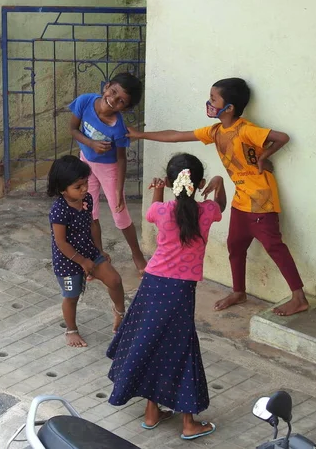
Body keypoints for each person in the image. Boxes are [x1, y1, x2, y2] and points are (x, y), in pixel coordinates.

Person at [126, 77, 309, 316]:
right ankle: (239, 292)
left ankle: (299, 297)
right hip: (242, 199)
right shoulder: (215, 131)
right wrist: (140, 135)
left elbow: (282, 138)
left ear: (229, 108)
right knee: (235, 246)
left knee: (275, 247)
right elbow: (177, 135)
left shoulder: (246, 130)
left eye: (214, 99)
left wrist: (264, 157)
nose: (209, 103)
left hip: (261, 201)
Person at [107, 153, 226, 440]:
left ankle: (152, 413)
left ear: (172, 183)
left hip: (152, 284)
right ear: (198, 184)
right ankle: (188, 423)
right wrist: (219, 181)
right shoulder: (207, 211)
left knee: (152, 341)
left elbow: (152, 210)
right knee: (181, 348)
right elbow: (221, 204)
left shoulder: (162, 212)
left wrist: (158, 189)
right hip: (180, 291)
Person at [69, 72, 147, 274]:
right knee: (89, 210)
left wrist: (119, 190)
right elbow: (72, 128)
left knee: (120, 213)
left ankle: (137, 254)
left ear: (126, 108)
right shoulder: (85, 101)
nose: (113, 100)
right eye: (112, 92)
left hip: (109, 168)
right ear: (106, 87)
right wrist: (91, 144)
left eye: (121, 101)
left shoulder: (118, 128)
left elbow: (121, 159)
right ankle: (99, 254)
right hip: (86, 162)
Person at [47, 155, 126, 348]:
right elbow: (61, 243)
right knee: (71, 296)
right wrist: (82, 262)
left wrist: (99, 250)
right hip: (68, 261)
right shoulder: (59, 211)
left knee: (114, 280)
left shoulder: (87, 199)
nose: (84, 189)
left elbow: (93, 225)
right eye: (78, 186)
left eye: (85, 183)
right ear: (62, 189)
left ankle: (120, 314)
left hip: (90, 253)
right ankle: (71, 330)